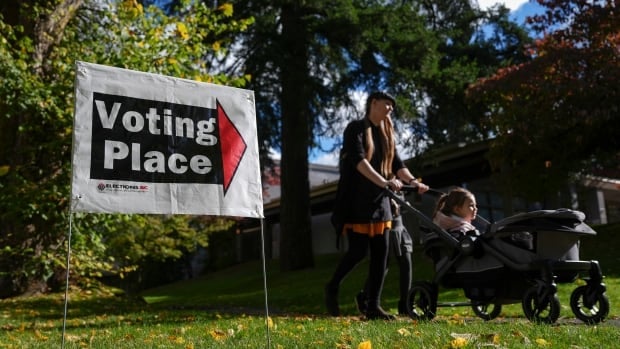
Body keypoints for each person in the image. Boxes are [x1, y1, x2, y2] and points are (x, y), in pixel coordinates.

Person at [325, 91, 429, 320]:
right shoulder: (355, 129)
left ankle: (373, 306)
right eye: (387, 104)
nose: (390, 109)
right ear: (373, 103)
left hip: (381, 202)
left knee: (382, 254)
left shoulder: (385, 135)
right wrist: (385, 182)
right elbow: (359, 161)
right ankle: (332, 287)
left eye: (392, 106)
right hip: (357, 201)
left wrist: (413, 182)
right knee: (358, 252)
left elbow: (398, 164)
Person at [355, 193, 414, 316]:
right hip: (384, 223)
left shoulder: (398, 178)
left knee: (406, 262)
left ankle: (405, 304)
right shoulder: (381, 177)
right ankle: (365, 296)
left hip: (398, 225)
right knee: (383, 265)